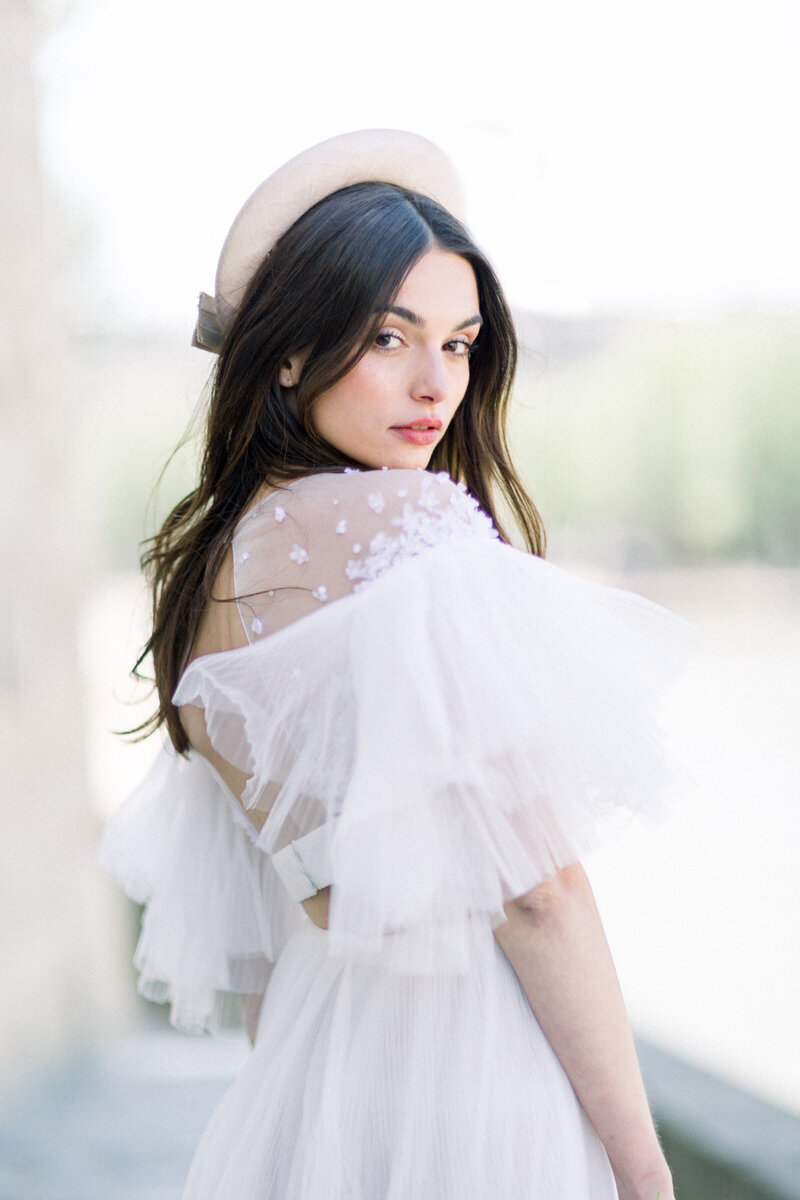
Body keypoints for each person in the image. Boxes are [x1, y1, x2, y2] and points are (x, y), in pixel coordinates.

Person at [100, 129, 690, 1200]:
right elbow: (540, 894)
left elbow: (253, 929)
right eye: (387, 336)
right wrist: (641, 1167)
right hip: (471, 1071)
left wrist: (308, 1104)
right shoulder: (405, 528)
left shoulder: (206, 573)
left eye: (460, 343)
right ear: (286, 352)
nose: (435, 383)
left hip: (311, 1082)